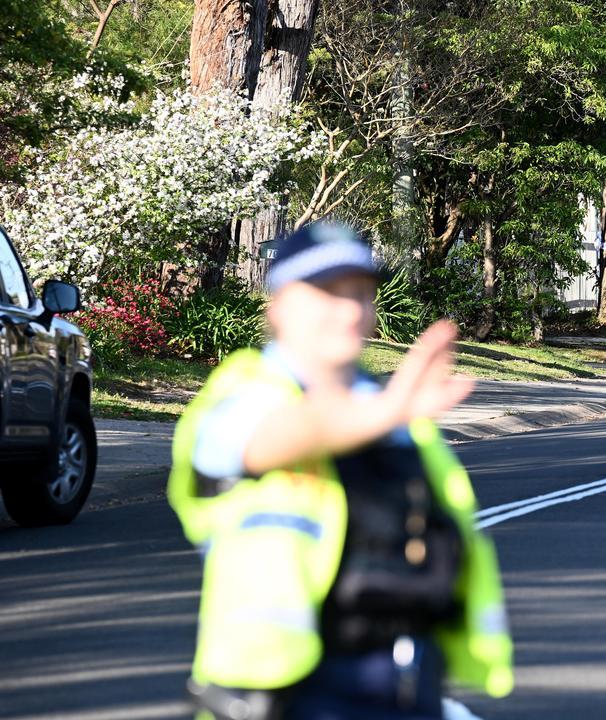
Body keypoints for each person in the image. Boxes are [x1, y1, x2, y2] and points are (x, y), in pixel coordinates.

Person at [168, 222, 513, 720]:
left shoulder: (399, 419)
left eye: (360, 293)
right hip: (288, 698)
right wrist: (390, 409)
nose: (349, 309)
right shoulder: (243, 395)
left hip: (408, 682)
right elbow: (274, 438)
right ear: (279, 306)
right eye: (327, 293)